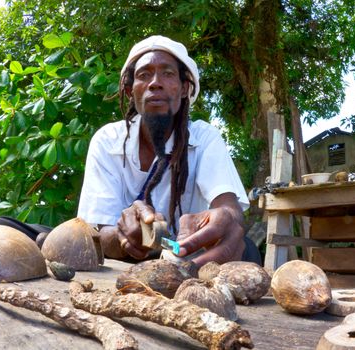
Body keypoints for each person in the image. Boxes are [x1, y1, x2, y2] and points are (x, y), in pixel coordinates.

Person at [76, 35, 260, 266]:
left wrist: (228, 219)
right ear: (130, 90)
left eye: (168, 73)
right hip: (124, 260)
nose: (155, 82)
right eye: (144, 75)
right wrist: (123, 235)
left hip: (186, 258)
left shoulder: (204, 138)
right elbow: (96, 233)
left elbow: (229, 207)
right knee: (24, 230)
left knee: (247, 249)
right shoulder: (107, 141)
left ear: (184, 89)